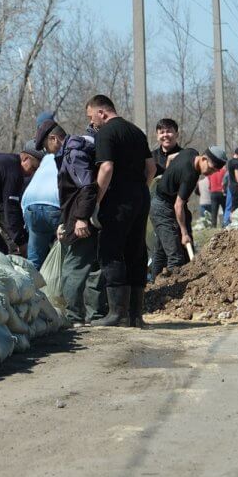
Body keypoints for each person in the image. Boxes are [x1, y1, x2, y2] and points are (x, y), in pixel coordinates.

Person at [84, 94, 156, 328]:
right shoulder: (137, 132)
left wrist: (96, 200)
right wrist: (139, 189)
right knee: (136, 250)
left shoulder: (105, 133)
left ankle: (117, 313)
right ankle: (136, 315)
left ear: (102, 112)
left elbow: (106, 167)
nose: (92, 123)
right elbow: (151, 167)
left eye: (91, 117)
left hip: (117, 199)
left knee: (111, 250)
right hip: (140, 197)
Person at [37, 116, 100, 326]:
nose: (47, 151)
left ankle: (74, 316)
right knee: (92, 266)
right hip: (83, 216)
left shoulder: (73, 154)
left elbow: (86, 187)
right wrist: (65, 222)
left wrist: (81, 218)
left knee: (72, 267)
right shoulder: (76, 151)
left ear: (54, 138)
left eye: (46, 146)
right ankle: (95, 314)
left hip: (82, 219)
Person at [150, 146, 227, 278]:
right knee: (175, 257)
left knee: (161, 251)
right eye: (211, 168)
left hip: (160, 200)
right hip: (162, 208)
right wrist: (184, 233)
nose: (211, 173)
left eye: (215, 171)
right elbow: (178, 206)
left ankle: (153, 286)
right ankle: (177, 292)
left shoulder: (192, 152)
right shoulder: (190, 175)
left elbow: (171, 157)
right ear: (204, 159)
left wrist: (170, 175)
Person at [21, 134, 61, 268]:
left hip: (30, 205)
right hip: (55, 204)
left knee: (34, 259)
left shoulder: (45, 160)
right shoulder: (68, 155)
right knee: (65, 256)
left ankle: (31, 287)